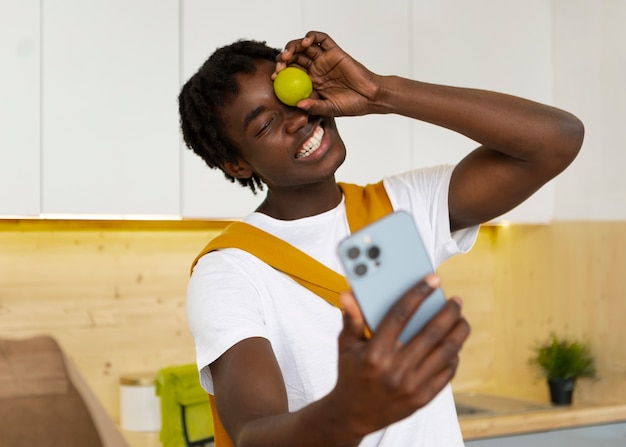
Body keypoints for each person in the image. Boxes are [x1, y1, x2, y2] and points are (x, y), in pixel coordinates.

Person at [180, 31, 584, 447]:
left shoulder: (395, 212)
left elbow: (557, 139)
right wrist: (349, 412)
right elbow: (252, 434)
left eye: (291, 97)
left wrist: (380, 93)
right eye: (265, 125)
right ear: (236, 163)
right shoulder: (231, 270)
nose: (297, 119)